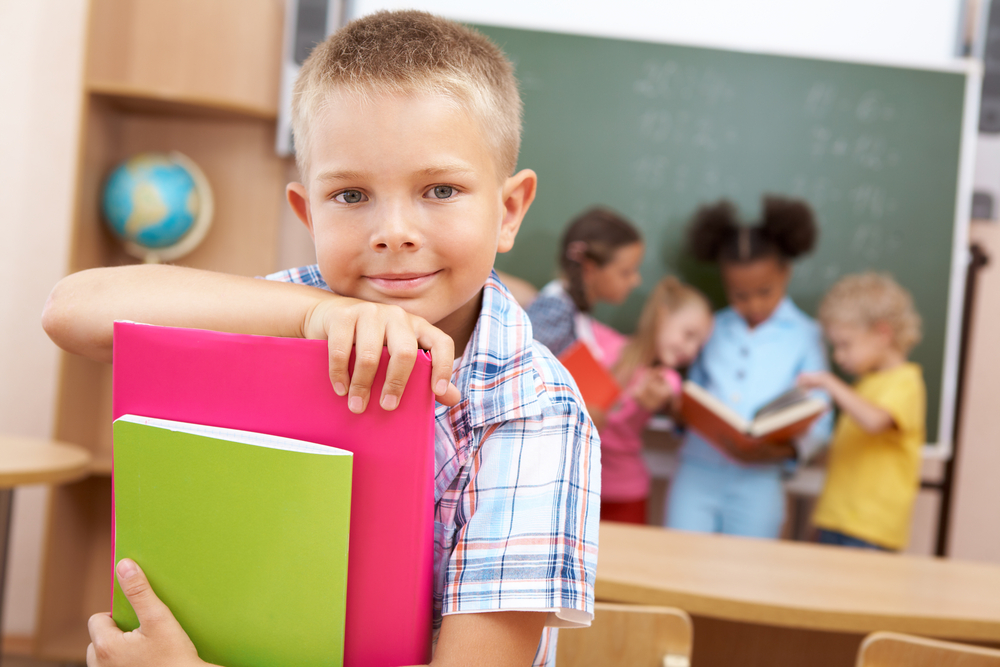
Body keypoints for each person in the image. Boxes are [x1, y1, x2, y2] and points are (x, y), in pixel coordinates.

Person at [42, 11, 599, 667]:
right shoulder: (295, 307)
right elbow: (71, 310)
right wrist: (311, 316)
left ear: (507, 210)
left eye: (440, 189)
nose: (394, 231)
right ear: (308, 212)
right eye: (352, 195)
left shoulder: (535, 409)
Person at [665, 196, 833, 538]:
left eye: (765, 291)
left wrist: (784, 450)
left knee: (748, 574)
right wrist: (680, 411)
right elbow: (693, 391)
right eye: (739, 294)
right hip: (697, 468)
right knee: (678, 564)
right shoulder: (713, 327)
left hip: (761, 476)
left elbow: (820, 414)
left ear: (786, 273)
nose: (753, 304)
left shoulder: (806, 335)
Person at [799, 272, 925, 552]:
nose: (838, 356)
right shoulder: (863, 385)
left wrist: (829, 383)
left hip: (870, 529)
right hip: (834, 520)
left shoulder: (906, 381)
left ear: (882, 334)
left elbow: (874, 421)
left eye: (845, 344)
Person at [599, 277, 713, 524]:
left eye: (699, 345)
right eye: (688, 335)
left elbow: (669, 392)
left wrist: (662, 396)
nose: (691, 351)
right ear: (662, 317)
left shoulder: (666, 379)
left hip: (625, 495)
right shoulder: (604, 344)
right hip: (579, 487)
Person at [526, 206, 644, 360]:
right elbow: (521, 363)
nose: (636, 280)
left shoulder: (577, 312)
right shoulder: (556, 311)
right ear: (590, 269)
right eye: (626, 272)